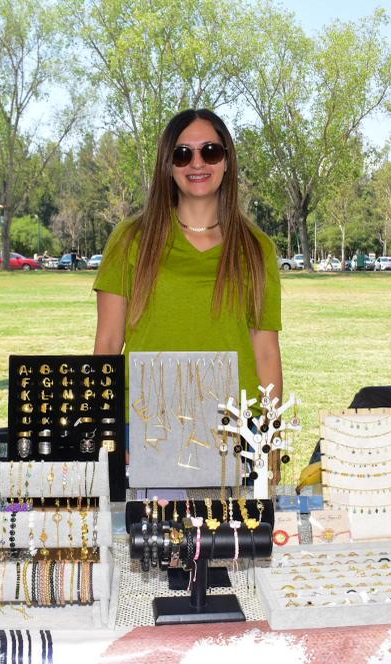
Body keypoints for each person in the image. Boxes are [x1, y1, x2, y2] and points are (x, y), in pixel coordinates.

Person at [93, 108, 283, 456]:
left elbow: (266, 351)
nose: (197, 163)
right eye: (182, 154)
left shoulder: (257, 248)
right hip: (145, 424)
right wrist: (109, 433)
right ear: (168, 165)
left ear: (227, 161)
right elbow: (107, 344)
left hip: (237, 430)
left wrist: (268, 441)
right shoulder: (130, 239)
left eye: (210, 151)